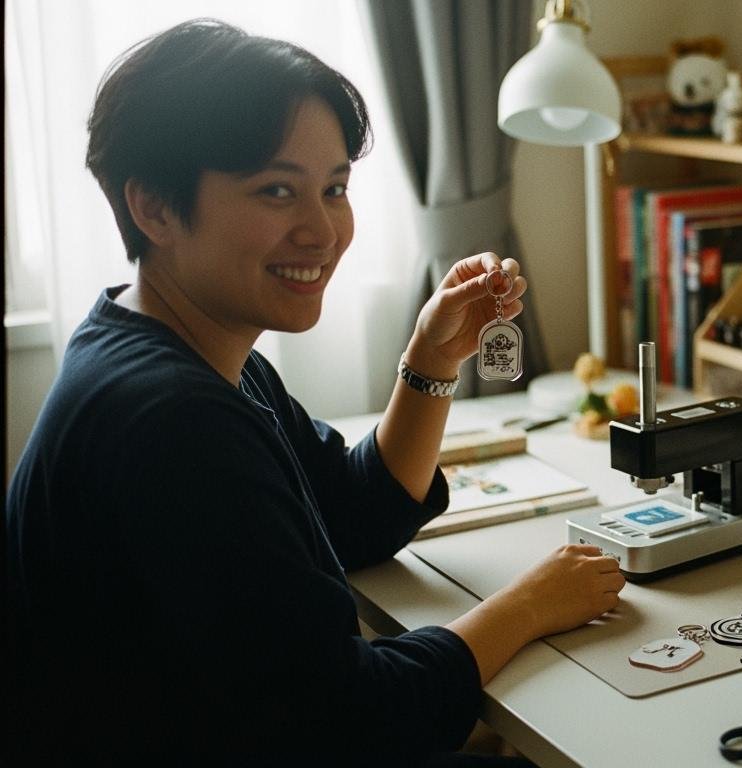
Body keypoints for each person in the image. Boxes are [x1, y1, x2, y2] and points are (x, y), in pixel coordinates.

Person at [3, 19, 625, 765]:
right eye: (276, 191)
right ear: (155, 208)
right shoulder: (170, 420)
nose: (323, 229)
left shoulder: (192, 349)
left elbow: (350, 512)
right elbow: (356, 724)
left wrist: (430, 357)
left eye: (334, 189)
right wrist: (529, 605)